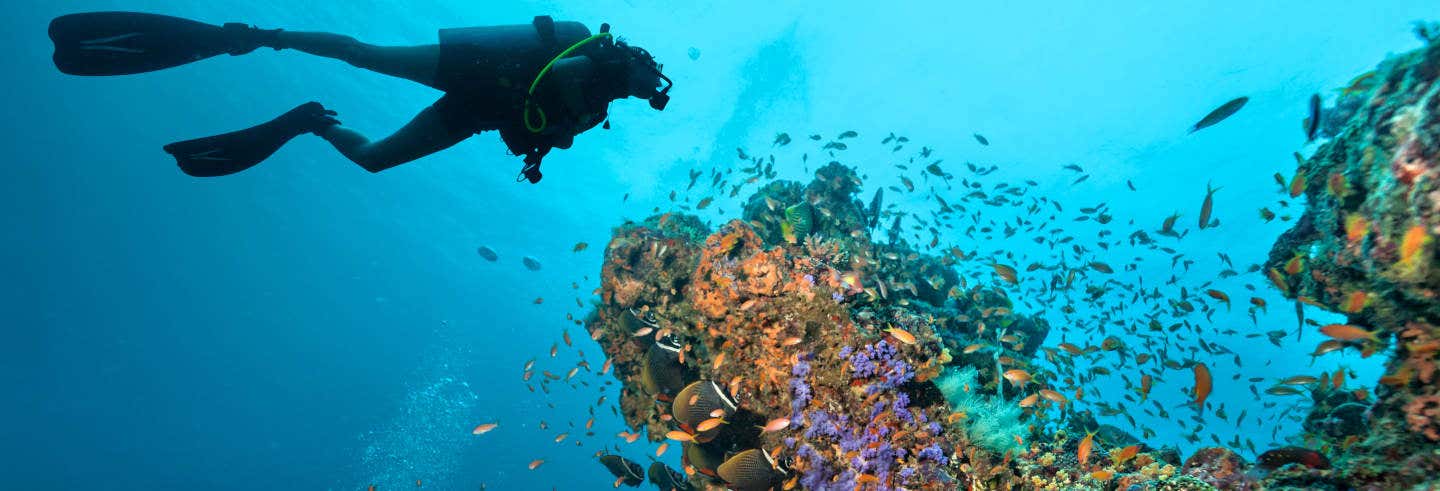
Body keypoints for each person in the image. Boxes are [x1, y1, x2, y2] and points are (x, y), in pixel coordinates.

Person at [48, 12, 672, 183]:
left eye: (651, 92)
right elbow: (559, 85)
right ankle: (263, 38)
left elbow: (548, 134)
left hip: (477, 110)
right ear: (643, 67)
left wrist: (558, 133)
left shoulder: (602, 107)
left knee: (374, 159)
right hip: (478, 67)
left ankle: (312, 122)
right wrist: (571, 115)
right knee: (364, 54)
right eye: (652, 84)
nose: (649, 93)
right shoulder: (603, 59)